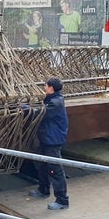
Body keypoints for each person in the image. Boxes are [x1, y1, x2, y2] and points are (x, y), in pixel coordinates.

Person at [27, 77, 70, 210]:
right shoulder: (52, 100)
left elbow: (39, 113)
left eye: (45, 86)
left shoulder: (55, 103)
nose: (44, 88)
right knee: (42, 165)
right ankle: (43, 189)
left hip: (53, 140)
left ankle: (62, 200)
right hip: (46, 138)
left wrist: (24, 108)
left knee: (55, 169)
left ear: (51, 88)